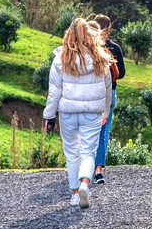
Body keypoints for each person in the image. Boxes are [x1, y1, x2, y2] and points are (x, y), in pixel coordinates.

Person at [43, 17, 113, 208]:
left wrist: (49, 116)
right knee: (88, 151)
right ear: (90, 35)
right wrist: (105, 111)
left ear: (68, 36)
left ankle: (75, 193)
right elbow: (108, 87)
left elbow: (54, 91)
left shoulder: (60, 59)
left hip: (68, 112)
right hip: (92, 112)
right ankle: (84, 183)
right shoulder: (100, 58)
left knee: (72, 152)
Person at [91, 13, 125, 184]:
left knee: (87, 130)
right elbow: (122, 73)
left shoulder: (87, 48)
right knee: (103, 132)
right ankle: (98, 170)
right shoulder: (115, 48)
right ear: (109, 29)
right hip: (109, 92)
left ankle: (84, 166)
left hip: (90, 94)